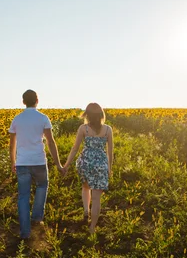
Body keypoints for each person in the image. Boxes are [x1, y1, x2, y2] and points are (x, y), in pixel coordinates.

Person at [9, 90, 63, 240]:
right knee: (42, 186)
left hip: (22, 162)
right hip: (39, 161)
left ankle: (25, 232)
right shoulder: (43, 118)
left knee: (23, 196)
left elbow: (12, 144)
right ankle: (37, 218)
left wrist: (13, 162)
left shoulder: (17, 119)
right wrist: (58, 164)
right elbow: (51, 142)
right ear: (37, 100)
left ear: (23, 102)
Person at [62, 103, 113, 234]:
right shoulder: (108, 130)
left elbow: (75, 149)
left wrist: (66, 165)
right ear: (102, 115)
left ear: (87, 115)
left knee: (85, 187)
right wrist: (109, 168)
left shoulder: (83, 129)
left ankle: (86, 211)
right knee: (96, 198)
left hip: (85, 163)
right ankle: (92, 228)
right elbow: (110, 152)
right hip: (101, 165)